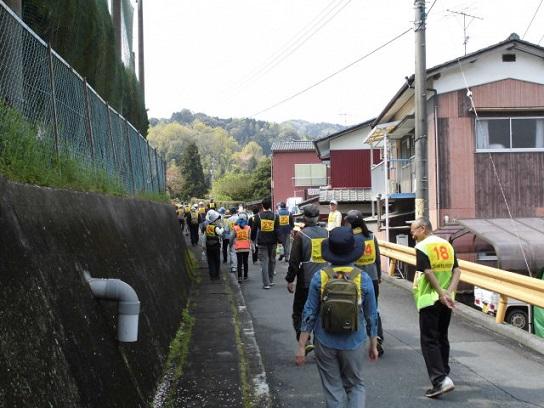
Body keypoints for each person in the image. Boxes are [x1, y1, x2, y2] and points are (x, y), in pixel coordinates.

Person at [295, 227, 378, 408]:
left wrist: (302, 345)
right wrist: (373, 343)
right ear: (353, 251)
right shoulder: (363, 278)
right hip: (354, 341)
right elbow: (372, 315)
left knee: (333, 388)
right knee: (355, 385)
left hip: (325, 341)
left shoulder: (320, 277)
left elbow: (309, 312)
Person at [410, 217, 461, 398]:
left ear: (423, 229)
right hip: (446, 300)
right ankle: (444, 373)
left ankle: (440, 380)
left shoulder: (422, 247)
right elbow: (457, 270)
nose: (412, 234)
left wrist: (440, 292)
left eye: (414, 230)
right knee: (442, 337)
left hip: (429, 299)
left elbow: (428, 271)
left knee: (429, 340)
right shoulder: (446, 244)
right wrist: (449, 292)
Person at [286, 204, 328, 347]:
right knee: (322, 312)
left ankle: (305, 340)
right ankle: (321, 341)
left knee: (299, 311)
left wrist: (290, 279)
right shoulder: (327, 233)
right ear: (318, 218)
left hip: (307, 280)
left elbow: (294, 261)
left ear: (304, 217)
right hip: (327, 280)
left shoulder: (301, 235)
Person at [345, 210, 384, 357]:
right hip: (373, 277)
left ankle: (355, 340)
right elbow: (378, 258)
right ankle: (377, 336)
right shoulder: (371, 236)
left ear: (349, 223)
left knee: (355, 308)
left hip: (356, 278)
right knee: (374, 309)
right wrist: (379, 275)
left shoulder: (350, 238)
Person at [253, 198, 279, 289]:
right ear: (270, 205)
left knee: (264, 262)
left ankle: (266, 283)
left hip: (262, 241)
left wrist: (252, 240)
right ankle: (271, 280)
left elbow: (254, 230)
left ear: (262, 206)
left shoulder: (258, 216)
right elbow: (277, 230)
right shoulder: (275, 216)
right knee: (272, 261)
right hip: (273, 242)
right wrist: (279, 241)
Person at [201, 209, 224, 280]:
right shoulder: (215, 227)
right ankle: (217, 275)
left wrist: (203, 246)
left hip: (208, 246)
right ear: (214, 220)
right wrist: (223, 228)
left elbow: (204, 237)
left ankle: (212, 275)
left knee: (210, 261)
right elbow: (220, 233)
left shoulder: (207, 227)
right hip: (216, 246)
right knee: (217, 260)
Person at [232, 213, 251, 283]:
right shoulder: (248, 227)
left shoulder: (235, 228)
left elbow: (232, 237)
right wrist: (252, 246)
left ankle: (239, 277)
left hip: (238, 248)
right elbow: (249, 238)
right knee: (245, 262)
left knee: (239, 263)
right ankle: (245, 275)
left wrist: (231, 244)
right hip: (246, 247)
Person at [227, 207, 239, 273]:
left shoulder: (229, 219)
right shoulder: (239, 218)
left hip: (232, 236)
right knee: (240, 251)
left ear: (231, 212)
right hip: (240, 236)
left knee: (232, 252)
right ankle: (241, 265)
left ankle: (234, 267)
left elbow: (226, 229)